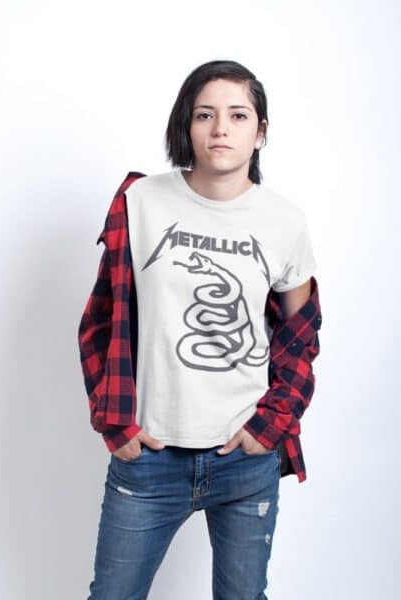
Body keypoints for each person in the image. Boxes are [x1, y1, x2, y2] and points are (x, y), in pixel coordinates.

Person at [78, 59, 323, 600]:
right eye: (204, 114)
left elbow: (301, 335)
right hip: (149, 458)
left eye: (238, 115)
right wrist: (114, 423)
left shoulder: (284, 221)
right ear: (186, 125)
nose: (220, 129)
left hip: (245, 459)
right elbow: (100, 320)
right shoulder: (139, 203)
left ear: (260, 132)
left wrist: (270, 426)